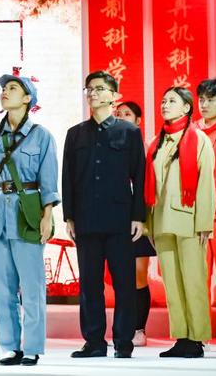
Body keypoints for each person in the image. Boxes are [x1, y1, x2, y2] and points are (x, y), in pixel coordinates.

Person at [0, 74, 59, 367]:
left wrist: (47, 217)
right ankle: (9, 346)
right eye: (3, 88)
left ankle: (32, 346)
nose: (5, 92)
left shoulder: (41, 135)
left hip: (27, 212)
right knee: (1, 286)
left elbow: (49, 181)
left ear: (27, 99)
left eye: (12, 88)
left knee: (32, 285)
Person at [62, 71, 146, 359]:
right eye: (89, 89)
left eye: (99, 89)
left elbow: (139, 176)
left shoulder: (129, 132)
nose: (93, 93)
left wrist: (138, 216)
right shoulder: (75, 134)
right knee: (89, 284)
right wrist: (69, 216)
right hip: (85, 219)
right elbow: (68, 178)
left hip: (120, 219)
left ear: (114, 96)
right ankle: (94, 342)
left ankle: (124, 342)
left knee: (124, 283)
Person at [147, 86, 216, 358]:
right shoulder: (157, 142)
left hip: (189, 221)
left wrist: (204, 224)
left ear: (186, 108)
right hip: (162, 221)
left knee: (194, 281)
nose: (165, 105)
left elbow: (206, 185)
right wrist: (149, 224)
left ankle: (197, 339)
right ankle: (181, 337)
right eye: (163, 101)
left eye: (172, 101)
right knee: (173, 284)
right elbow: (149, 187)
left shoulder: (198, 140)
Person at [114, 100, 157, 346]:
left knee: (139, 275)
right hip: (115, 219)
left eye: (127, 114)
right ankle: (124, 327)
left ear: (138, 121)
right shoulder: (108, 145)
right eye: (118, 114)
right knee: (122, 276)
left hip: (139, 217)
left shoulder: (147, 147)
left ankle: (139, 329)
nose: (121, 117)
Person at [195, 78, 216, 306]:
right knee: (197, 276)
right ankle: (199, 326)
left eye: (211, 99)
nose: (204, 104)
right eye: (201, 99)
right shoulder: (191, 131)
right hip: (196, 216)